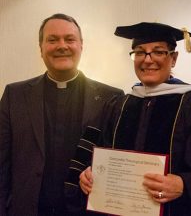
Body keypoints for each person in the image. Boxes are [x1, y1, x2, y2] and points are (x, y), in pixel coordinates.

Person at [78, 22, 191, 216]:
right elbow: (102, 157)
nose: (147, 60)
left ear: (173, 58)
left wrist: (184, 184)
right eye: (140, 52)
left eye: (158, 52)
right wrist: (90, 175)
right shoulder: (119, 105)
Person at [0, 13, 124, 216]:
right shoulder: (15, 95)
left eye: (69, 39)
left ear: (81, 46)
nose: (62, 45)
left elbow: (118, 159)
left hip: (86, 210)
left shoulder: (111, 98)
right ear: (40, 48)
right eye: (52, 39)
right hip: (28, 209)